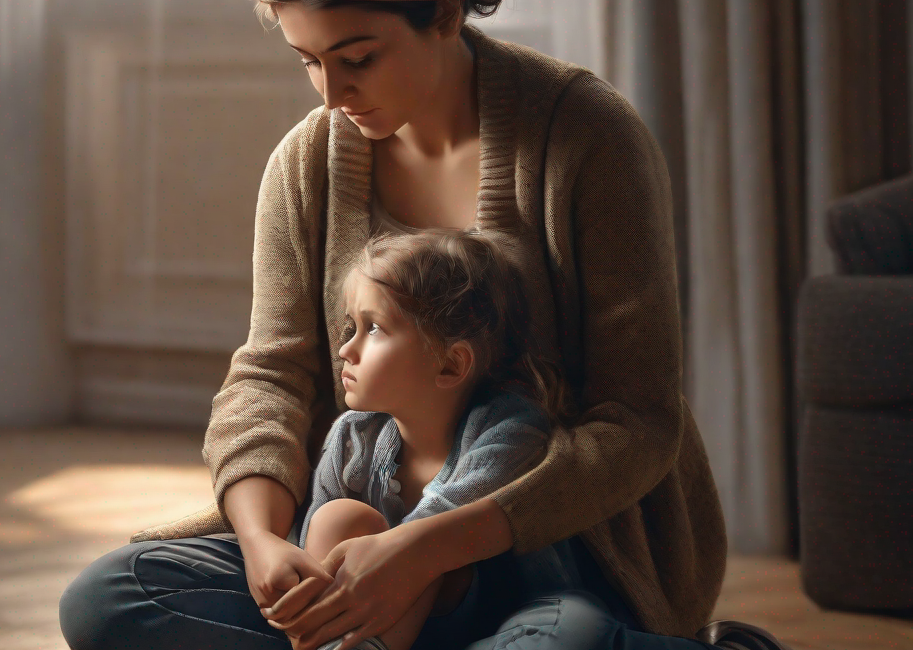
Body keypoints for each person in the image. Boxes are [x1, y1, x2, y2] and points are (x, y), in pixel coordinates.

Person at [58, 2, 793, 650]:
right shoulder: (305, 164)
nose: (331, 92)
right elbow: (270, 377)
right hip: (359, 544)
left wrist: (421, 553)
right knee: (109, 602)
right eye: (308, 60)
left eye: (357, 58)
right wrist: (259, 547)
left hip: (550, 556)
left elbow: (638, 421)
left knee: (564, 637)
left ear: (444, 10)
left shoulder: (588, 137)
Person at [278, 229, 581, 650]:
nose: (346, 349)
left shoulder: (509, 431)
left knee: (426, 548)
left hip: (493, 617)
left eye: (375, 329)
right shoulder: (354, 433)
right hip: (383, 613)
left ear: (451, 365)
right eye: (351, 326)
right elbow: (314, 539)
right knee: (337, 518)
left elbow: (435, 535)